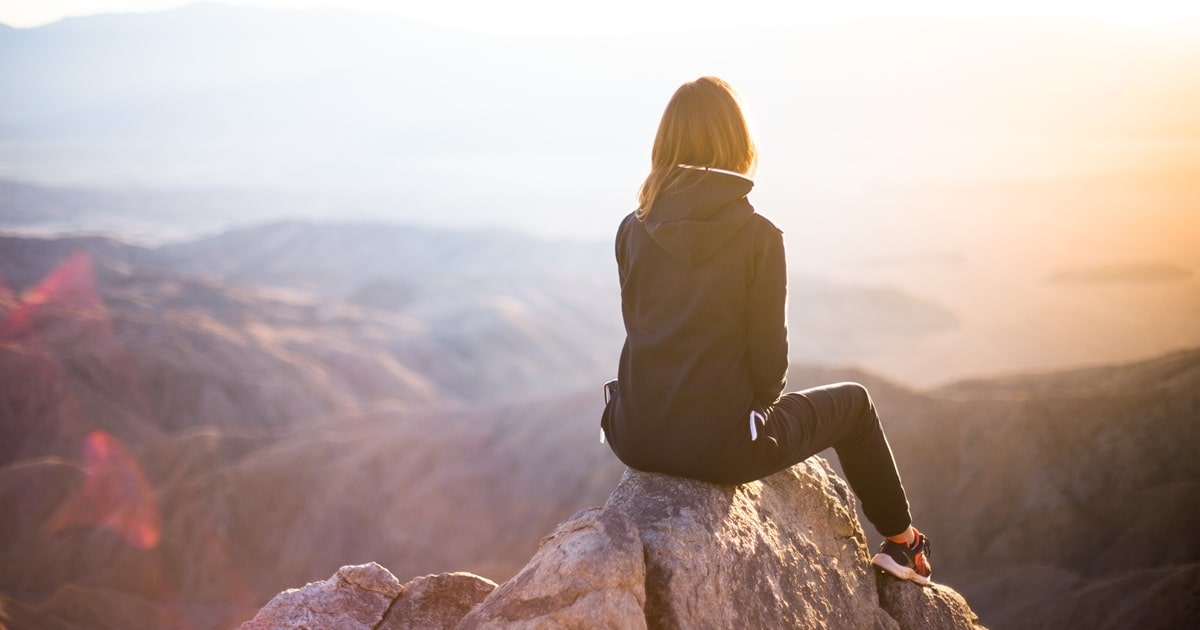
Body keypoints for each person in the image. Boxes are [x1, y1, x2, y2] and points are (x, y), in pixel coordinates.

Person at [599, 76, 932, 585]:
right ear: (737, 143)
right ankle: (903, 544)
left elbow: (642, 328)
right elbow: (770, 369)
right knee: (857, 405)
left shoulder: (631, 227)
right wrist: (744, 417)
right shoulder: (759, 237)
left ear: (665, 144)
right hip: (722, 448)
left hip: (633, 433)